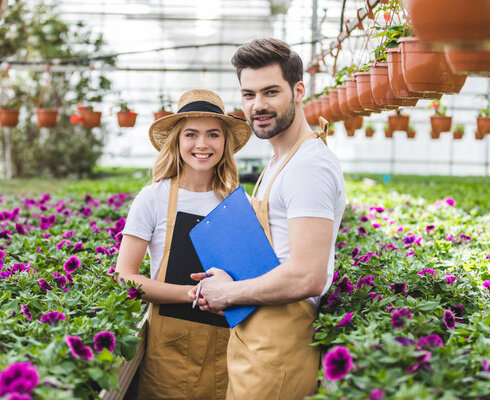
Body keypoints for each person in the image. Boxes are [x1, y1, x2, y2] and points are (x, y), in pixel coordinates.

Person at [191, 38, 347, 399]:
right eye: (248, 95)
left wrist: (228, 293)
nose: (257, 105)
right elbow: (279, 254)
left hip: (280, 344)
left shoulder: (308, 166)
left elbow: (308, 275)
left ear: (297, 91)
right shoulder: (280, 161)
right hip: (257, 335)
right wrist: (223, 279)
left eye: (270, 92)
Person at [115, 89, 252, 400]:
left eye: (213, 135)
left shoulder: (236, 202)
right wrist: (193, 294)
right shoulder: (153, 197)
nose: (202, 144)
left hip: (226, 348)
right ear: (176, 140)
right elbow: (125, 276)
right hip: (169, 349)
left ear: (225, 143)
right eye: (191, 134)